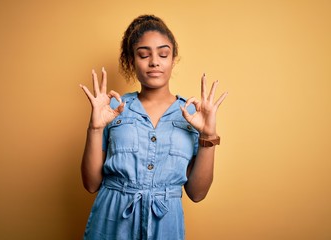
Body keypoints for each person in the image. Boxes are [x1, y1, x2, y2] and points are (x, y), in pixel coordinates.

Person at [79, 14, 228, 240]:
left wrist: (208, 134)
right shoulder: (113, 109)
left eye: (163, 54)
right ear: (132, 61)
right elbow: (91, 184)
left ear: (173, 59)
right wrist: (95, 129)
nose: (154, 61)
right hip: (111, 223)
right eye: (143, 55)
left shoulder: (191, 115)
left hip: (165, 227)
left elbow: (197, 194)